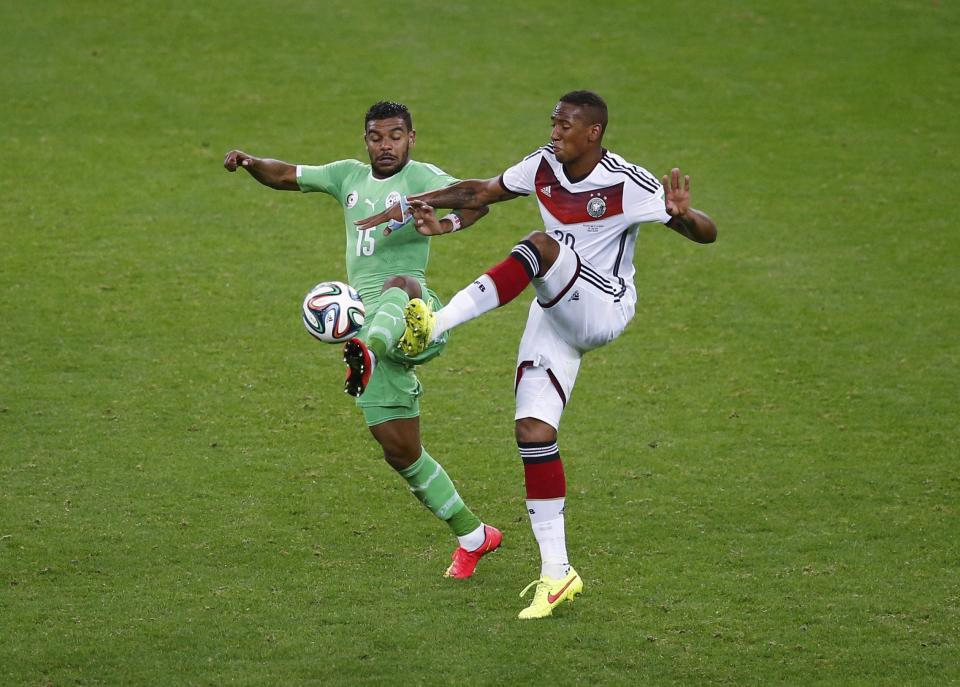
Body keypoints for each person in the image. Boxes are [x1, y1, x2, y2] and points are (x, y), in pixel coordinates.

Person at [356, 90, 717, 619]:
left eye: (565, 125)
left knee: (541, 246)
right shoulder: (543, 164)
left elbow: (705, 234)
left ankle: (434, 323)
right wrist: (418, 203)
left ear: (593, 132)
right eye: (553, 122)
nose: (555, 132)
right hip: (555, 313)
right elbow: (482, 190)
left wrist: (685, 215)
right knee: (533, 433)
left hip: (602, 308)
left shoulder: (627, 182)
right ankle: (556, 573)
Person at [223, 101, 502, 580]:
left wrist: (443, 220)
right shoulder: (346, 177)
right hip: (365, 326)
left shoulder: (423, 179)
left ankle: (369, 348)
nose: (386, 145)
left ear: (411, 138)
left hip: (416, 317)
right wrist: (250, 164)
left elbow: (477, 200)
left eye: (396, 136)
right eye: (377, 137)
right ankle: (474, 535)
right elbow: (287, 174)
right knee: (399, 451)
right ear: (366, 140)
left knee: (400, 284)